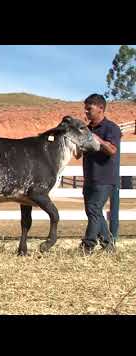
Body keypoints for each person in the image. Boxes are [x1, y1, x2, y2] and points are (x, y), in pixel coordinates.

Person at [80, 94, 122, 254]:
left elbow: (112, 150)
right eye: (85, 109)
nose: (86, 112)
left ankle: (88, 245)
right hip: (89, 178)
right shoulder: (86, 129)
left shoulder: (111, 128)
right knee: (94, 212)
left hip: (105, 178)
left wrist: (98, 139)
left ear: (100, 108)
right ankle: (109, 246)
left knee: (93, 209)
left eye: (89, 109)